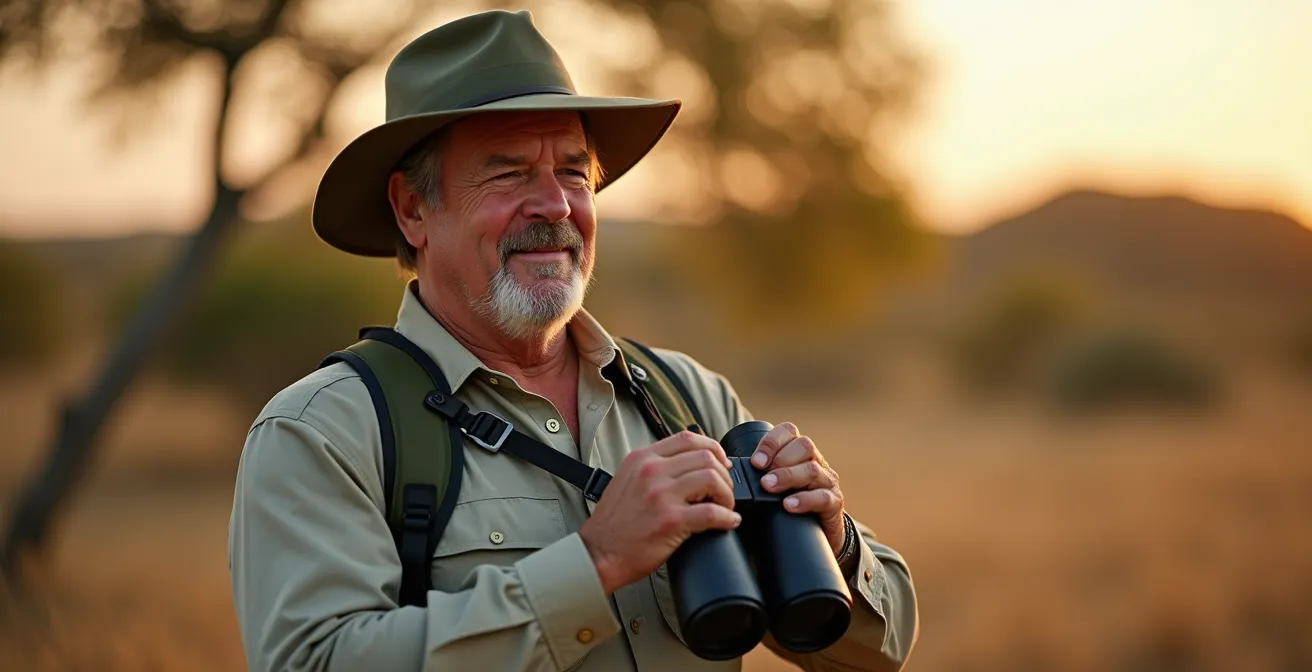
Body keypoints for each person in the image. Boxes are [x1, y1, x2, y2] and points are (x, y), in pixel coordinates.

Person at [227, 9, 918, 672]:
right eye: (508, 172)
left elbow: (872, 656)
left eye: (572, 171)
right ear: (413, 209)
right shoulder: (324, 432)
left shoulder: (685, 399)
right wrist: (595, 563)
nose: (555, 205)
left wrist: (833, 540)